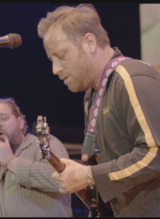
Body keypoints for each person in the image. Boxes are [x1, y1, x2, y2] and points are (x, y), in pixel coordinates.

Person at [37, 3, 160, 217]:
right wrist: (81, 179)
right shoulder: (93, 95)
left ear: (90, 42)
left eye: (61, 55)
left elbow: (155, 153)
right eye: (51, 60)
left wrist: (89, 175)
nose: (55, 69)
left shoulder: (130, 77)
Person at [0, 98, 72, 217]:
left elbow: (61, 180)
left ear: (20, 123)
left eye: (4, 118)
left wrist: (10, 160)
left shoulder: (43, 144)